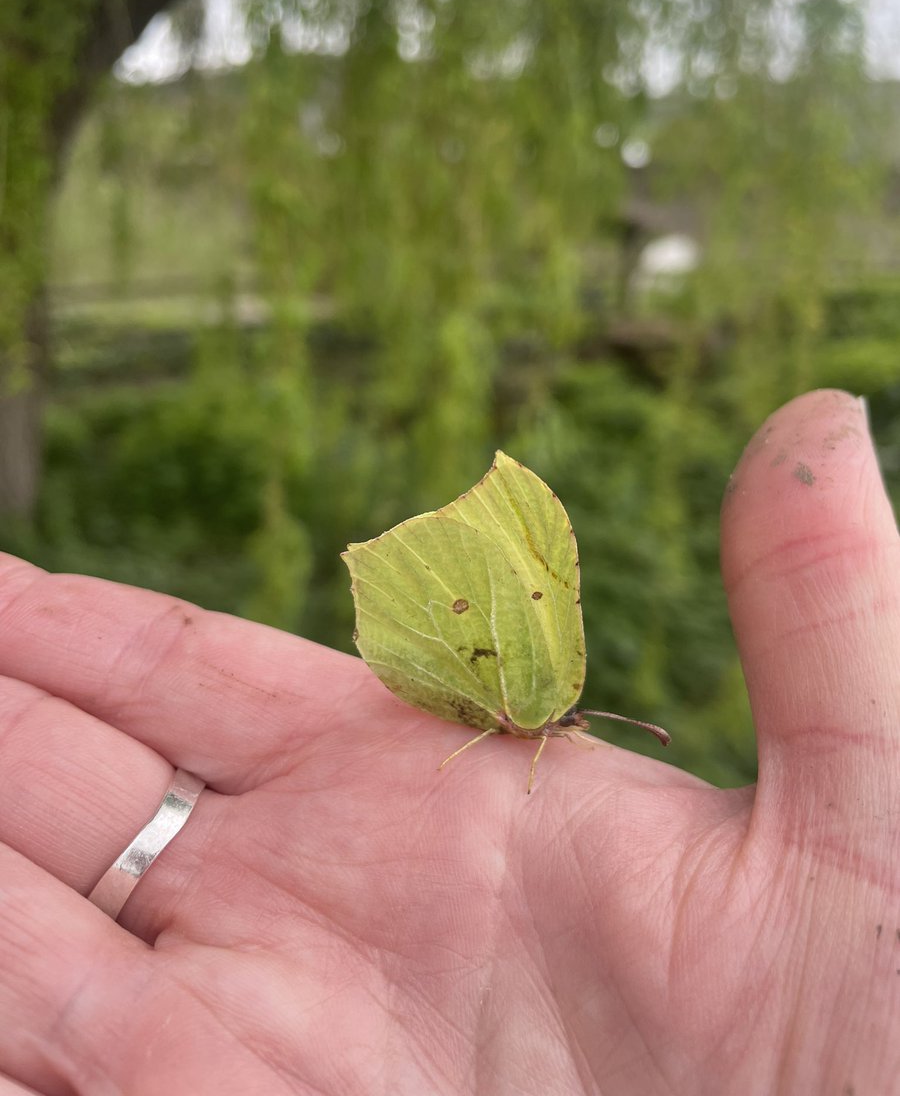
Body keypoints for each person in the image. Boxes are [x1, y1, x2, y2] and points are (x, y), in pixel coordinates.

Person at [0, 388, 896, 1096]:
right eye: (570, 730)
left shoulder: (548, 715)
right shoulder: (542, 704)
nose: (571, 730)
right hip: (458, 637)